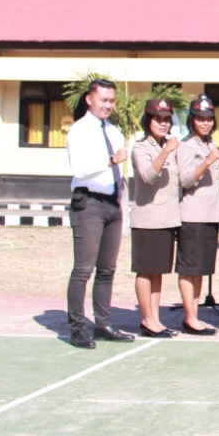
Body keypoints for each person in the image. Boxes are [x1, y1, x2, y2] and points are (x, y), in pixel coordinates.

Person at [64, 78, 133, 348]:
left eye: (112, 101)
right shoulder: (79, 131)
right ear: (89, 99)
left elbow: (120, 175)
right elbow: (79, 169)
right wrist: (110, 160)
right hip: (88, 203)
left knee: (107, 269)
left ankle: (103, 323)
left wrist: (122, 207)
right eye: (103, 100)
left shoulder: (114, 132)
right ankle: (77, 328)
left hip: (112, 204)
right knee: (83, 269)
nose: (108, 105)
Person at [129, 98, 181, 338]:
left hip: (167, 218)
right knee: (145, 270)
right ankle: (147, 319)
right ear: (147, 121)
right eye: (157, 119)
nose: (162, 123)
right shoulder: (141, 148)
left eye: (166, 119)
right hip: (148, 218)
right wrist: (166, 151)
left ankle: (155, 319)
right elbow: (148, 176)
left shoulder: (167, 146)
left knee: (158, 271)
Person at [175, 95, 219, 336]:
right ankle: (189, 317)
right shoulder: (187, 145)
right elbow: (185, 180)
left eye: (209, 119)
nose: (205, 123)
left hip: (210, 215)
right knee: (189, 268)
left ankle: (194, 315)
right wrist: (207, 162)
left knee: (201, 269)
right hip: (193, 215)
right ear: (192, 120)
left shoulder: (209, 144)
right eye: (200, 119)